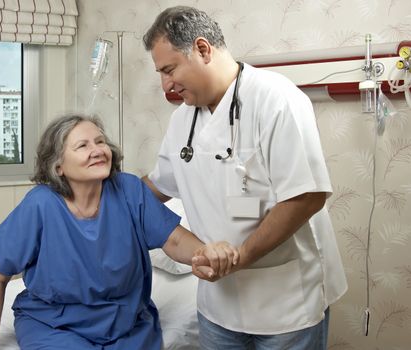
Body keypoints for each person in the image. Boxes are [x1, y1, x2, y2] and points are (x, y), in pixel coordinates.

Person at [142, 6, 348, 350]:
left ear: (203, 49)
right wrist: (96, 196)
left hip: (285, 302)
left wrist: (239, 258)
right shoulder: (182, 121)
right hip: (217, 305)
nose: (165, 83)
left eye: (169, 69)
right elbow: (157, 187)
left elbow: (305, 196)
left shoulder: (276, 100)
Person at [0, 114, 238, 350]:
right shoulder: (41, 204)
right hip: (55, 325)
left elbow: (174, 238)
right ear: (58, 167)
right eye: (83, 146)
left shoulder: (129, 190)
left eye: (100, 142)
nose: (97, 150)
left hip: (126, 325)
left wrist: (204, 251)